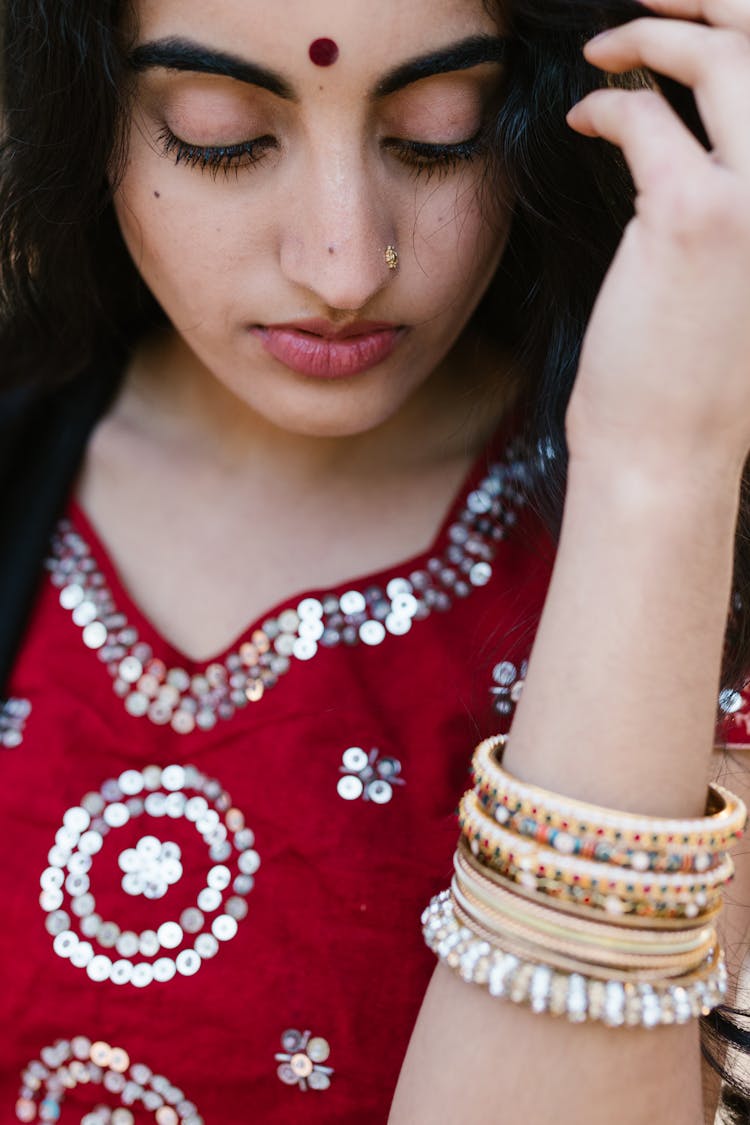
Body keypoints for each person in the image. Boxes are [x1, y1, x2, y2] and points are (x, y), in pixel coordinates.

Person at [1, 0, 750, 1122]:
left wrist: (660, 478)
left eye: (444, 132)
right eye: (220, 135)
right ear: (90, 110)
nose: (347, 263)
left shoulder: (696, 554)